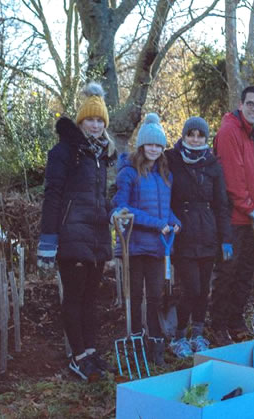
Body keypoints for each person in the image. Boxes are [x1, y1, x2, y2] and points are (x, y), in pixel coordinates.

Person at [37, 82, 117, 381]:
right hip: (71, 235)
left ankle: (91, 351)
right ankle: (78, 355)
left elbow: (97, 197)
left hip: (96, 236)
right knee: (74, 296)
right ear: (81, 121)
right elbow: (53, 194)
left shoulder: (100, 156)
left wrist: (112, 212)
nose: (95, 125)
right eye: (90, 119)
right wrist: (48, 241)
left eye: (100, 120)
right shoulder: (65, 151)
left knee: (90, 298)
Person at [111, 113, 181, 366]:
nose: (154, 149)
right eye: (150, 144)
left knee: (154, 297)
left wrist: (174, 221)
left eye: (159, 145)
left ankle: (155, 344)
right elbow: (123, 208)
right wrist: (158, 224)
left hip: (156, 247)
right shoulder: (128, 172)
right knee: (134, 297)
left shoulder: (165, 175)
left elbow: (164, 210)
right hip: (133, 246)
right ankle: (135, 343)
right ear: (141, 146)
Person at [210, 85, 254, 345]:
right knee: (228, 271)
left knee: (247, 271)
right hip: (234, 218)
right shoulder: (229, 132)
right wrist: (250, 207)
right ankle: (218, 324)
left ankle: (236, 319)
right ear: (241, 104)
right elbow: (232, 177)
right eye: (251, 104)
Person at [165, 117, 232, 357]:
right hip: (183, 232)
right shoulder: (171, 159)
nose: (195, 139)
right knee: (190, 288)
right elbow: (165, 196)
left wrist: (226, 238)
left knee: (204, 288)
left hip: (208, 232)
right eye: (191, 134)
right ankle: (179, 335)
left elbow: (221, 204)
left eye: (200, 135)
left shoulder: (212, 164)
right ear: (184, 136)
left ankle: (198, 334)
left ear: (205, 138)